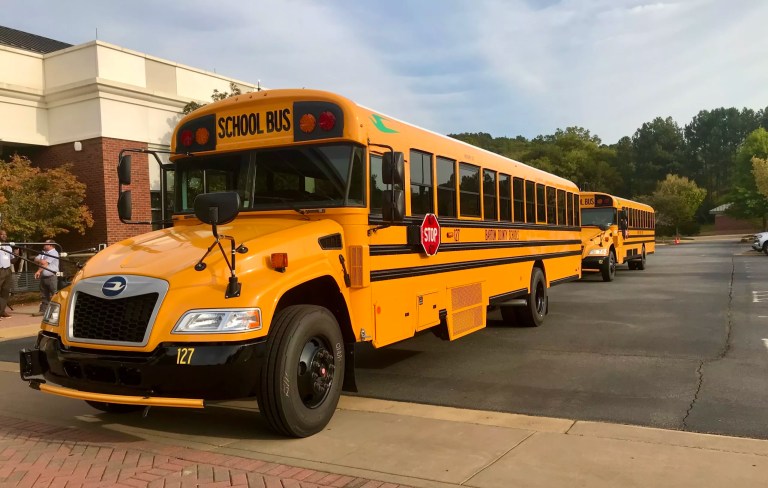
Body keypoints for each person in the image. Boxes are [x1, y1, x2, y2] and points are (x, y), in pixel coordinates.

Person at [34, 240, 59, 317]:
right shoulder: (44, 253)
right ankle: (43, 311)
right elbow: (35, 259)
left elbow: (45, 264)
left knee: (54, 294)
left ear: (51, 245)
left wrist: (38, 271)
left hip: (51, 277)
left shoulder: (54, 253)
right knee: (44, 295)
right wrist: (40, 260)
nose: (44, 244)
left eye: (46, 243)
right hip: (43, 277)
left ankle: (56, 311)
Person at [0, 230, 19, 319]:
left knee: (5, 291)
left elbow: (12, 261)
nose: (4, 236)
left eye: (5, 234)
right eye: (2, 234)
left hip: (7, 270)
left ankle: (2, 311)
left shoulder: (8, 246)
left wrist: (17, 255)